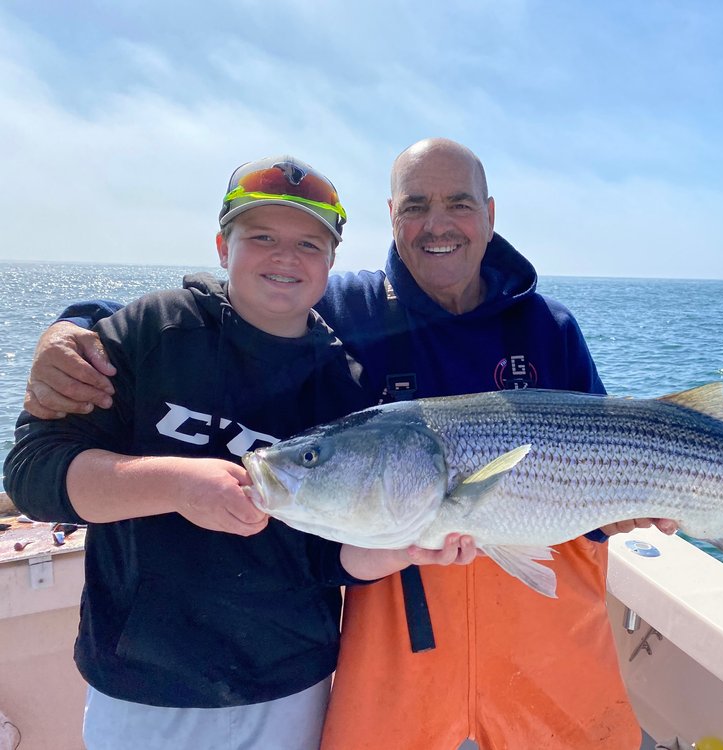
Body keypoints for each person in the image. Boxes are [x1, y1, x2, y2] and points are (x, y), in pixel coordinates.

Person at [21, 138, 676, 750]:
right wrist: (74, 325)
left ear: (490, 214)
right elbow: (237, 304)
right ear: (392, 217)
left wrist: (627, 505)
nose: (437, 224)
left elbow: (606, 459)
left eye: (459, 204)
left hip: (542, 634)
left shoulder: (549, 326)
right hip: (399, 645)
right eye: (415, 206)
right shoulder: (346, 309)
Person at [3, 155, 474, 750]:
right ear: (223, 247)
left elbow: (325, 556)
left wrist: (406, 544)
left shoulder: (345, 385)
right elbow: (34, 472)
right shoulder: (152, 332)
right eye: (262, 237)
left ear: (331, 262)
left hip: (292, 689)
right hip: (141, 689)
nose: (286, 257)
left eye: (309, 244)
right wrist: (176, 486)